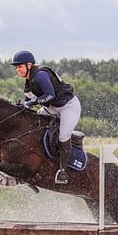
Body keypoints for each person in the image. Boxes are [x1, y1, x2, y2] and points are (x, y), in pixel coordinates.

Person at [11, 50, 81, 185]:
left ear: (29, 65)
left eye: (19, 67)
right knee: (36, 122)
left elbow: (50, 95)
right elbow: (29, 101)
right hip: (52, 108)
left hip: (68, 107)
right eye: (16, 68)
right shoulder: (28, 82)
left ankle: (63, 171)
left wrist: (34, 102)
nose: (17, 70)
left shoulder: (41, 75)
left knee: (63, 136)